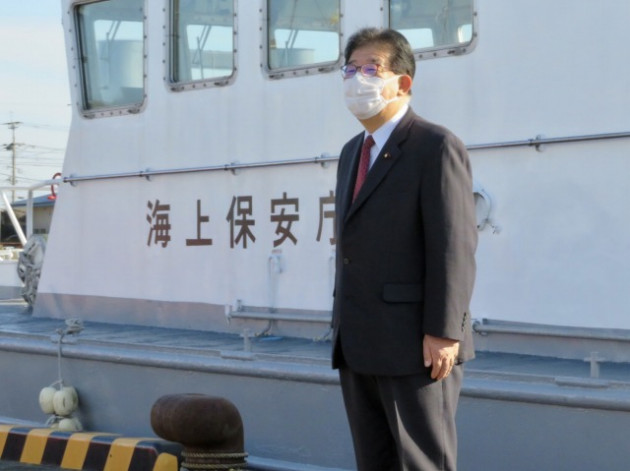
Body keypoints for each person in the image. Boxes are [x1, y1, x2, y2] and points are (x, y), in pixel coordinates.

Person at [332, 27, 477, 471]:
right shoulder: (352, 152)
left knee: (422, 462)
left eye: (371, 68)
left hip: (417, 345)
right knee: (373, 461)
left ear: (403, 82)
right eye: (350, 69)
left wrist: (445, 331)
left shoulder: (435, 146)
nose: (357, 79)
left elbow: (453, 245)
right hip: (358, 341)